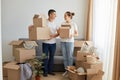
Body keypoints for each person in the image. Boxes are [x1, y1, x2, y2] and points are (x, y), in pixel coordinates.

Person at [42, 9, 59, 77]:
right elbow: (40, 30)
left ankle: (50, 71)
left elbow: (58, 33)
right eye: (54, 14)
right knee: (45, 57)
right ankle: (45, 72)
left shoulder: (56, 23)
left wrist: (53, 36)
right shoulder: (44, 22)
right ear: (50, 14)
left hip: (53, 43)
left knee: (52, 57)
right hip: (45, 43)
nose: (55, 15)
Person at [60, 11, 78, 75]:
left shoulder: (73, 24)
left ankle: (70, 71)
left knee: (70, 57)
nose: (64, 17)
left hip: (70, 42)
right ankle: (66, 71)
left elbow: (77, 34)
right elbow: (61, 32)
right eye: (64, 16)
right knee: (64, 57)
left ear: (69, 16)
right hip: (63, 42)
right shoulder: (62, 23)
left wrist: (72, 35)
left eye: (65, 16)